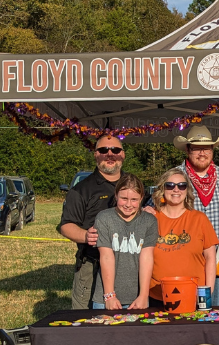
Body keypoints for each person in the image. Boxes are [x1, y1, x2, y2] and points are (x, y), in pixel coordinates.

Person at [176, 127, 219, 306]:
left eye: (207, 148)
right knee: (186, 314)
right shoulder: (175, 176)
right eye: (197, 148)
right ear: (188, 149)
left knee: (218, 314)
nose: (202, 153)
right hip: (187, 258)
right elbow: (156, 209)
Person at [60, 131, 127, 308]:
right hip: (92, 263)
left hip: (128, 264)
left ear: (123, 154)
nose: (110, 154)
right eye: (104, 150)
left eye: (115, 150)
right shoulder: (81, 190)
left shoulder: (132, 185)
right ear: (96, 154)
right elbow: (66, 225)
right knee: (85, 318)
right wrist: (85, 236)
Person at [148, 168, 218, 306]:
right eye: (170, 185)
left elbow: (210, 257)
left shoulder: (199, 219)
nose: (176, 190)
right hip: (157, 295)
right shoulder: (151, 218)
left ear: (187, 190)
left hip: (194, 295)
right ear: (162, 189)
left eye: (181, 185)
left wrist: (207, 292)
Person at [93, 175, 156, 311]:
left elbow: (147, 258)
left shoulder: (149, 221)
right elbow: (106, 257)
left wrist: (144, 295)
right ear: (116, 196)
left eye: (134, 200)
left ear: (141, 198)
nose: (128, 204)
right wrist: (109, 296)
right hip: (105, 297)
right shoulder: (104, 218)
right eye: (124, 198)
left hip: (137, 299)